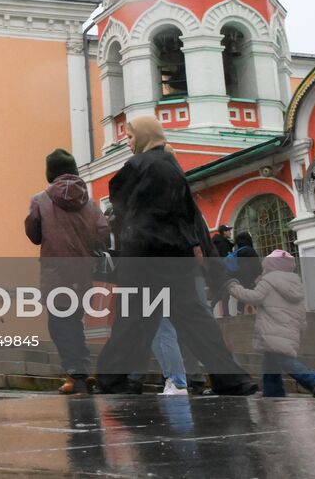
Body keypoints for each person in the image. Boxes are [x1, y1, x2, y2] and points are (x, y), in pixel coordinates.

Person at [94, 117, 256, 395]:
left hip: (144, 258)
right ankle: (233, 379)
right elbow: (189, 217)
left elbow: (124, 208)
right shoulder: (172, 166)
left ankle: (113, 379)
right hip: (176, 257)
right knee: (195, 322)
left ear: (144, 136)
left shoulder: (138, 166)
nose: (129, 142)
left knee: (132, 321)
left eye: (131, 137)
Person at [25, 148, 109, 395]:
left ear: (50, 173)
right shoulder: (90, 203)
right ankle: (79, 372)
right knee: (75, 322)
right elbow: (103, 232)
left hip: (56, 272)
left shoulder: (40, 199)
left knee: (60, 325)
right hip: (82, 273)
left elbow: (33, 233)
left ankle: (77, 376)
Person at [226, 249, 315, 398]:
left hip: (272, 330)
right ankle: (273, 393)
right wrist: (301, 329)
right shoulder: (295, 283)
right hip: (289, 330)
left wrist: (233, 288)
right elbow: (301, 313)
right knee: (270, 363)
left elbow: (253, 297)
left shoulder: (268, 281)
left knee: (284, 361)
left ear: (270, 266)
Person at [225, 231, 262, 315]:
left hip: (240, 278)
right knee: (253, 295)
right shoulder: (250, 251)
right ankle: (258, 312)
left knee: (242, 295)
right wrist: (259, 272)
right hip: (251, 278)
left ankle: (239, 312)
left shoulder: (238, 252)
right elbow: (256, 265)